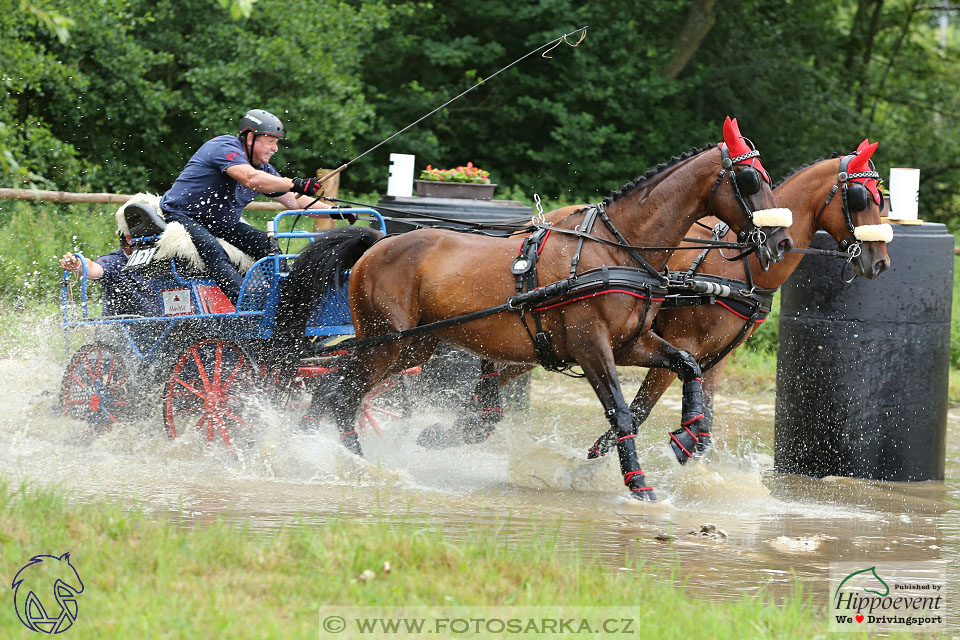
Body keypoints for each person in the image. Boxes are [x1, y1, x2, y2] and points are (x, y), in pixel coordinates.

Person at [159, 108, 338, 303]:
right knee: (213, 250)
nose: (275, 148)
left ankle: (290, 302)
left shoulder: (264, 169)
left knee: (266, 245)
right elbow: (250, 179)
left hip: (222, 224)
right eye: (270, 141)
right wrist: (295, 183)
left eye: (276, 143)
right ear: (251, 137)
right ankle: (246, 306)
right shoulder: (224, 146)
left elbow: (296, 200)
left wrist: (336, 213)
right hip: (182, 215)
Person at [60, 232, 161, 317]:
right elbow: (94, 269)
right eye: (152, 235)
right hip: (123, 336)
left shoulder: (164, 261)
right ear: (129, 239)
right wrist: (78, 264)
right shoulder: (115, 262)